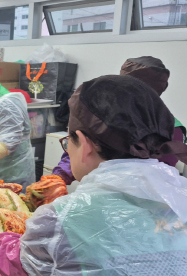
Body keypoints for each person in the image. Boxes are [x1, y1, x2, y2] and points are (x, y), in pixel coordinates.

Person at [0, 75, 187, 276]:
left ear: (84, 143)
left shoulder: (63, 218)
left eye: (67, 142)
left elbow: (21, 269)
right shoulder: (179, 199)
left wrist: (0, 237)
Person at [53, 56, 186, 184]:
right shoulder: (169, 126)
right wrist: (58, 177)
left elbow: (158, 176)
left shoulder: (169, 129)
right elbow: (79, 147)